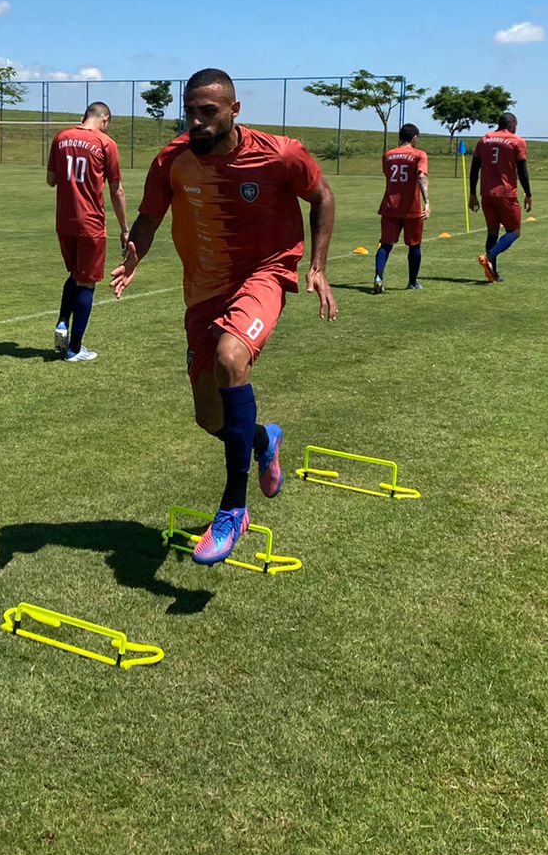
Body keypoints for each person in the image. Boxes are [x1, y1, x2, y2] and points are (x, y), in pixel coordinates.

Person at [111, 69, 336, 565]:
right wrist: (134, 257)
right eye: (189, 110)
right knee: (209, 416)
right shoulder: (173, 160)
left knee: (232, 358)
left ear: (235, 110)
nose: (196, 120)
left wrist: (317, 266)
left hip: (265, 273)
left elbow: (321, 196)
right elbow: (149, 216)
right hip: (204, 290)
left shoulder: (279, 154)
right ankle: (262, 438)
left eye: (207, 111)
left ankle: (233, 508)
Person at [47, 102, 129, 362]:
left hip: (65, 222)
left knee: (75, 274)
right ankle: (74, 348)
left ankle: (62, 322)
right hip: (91, 223)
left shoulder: (61, 138)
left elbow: (51, 180)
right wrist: (125, 229)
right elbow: (116, 190)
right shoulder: (106, 144)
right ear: (104, 120)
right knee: (87, 281)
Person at [468, 112, 532, 282]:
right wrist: (529, 194)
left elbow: (474, 169)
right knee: (514, 231)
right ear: (511, 124)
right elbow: (522, 171)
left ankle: (492, 273)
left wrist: (472, 193)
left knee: (492, 233)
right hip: (506, 193)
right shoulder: (516, 141)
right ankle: (489, 256)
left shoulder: (484, 139)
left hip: (486, 193)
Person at [375, 123, 430, 293]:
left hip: (390, 206)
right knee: (414, 245)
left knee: (385, 244)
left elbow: (388, 174)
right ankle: (412, 282)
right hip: (411, 207)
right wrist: (427, 201)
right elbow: (421, 177)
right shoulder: (419, 155)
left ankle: (378, 277)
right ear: (414, 138)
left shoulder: (388, 155)